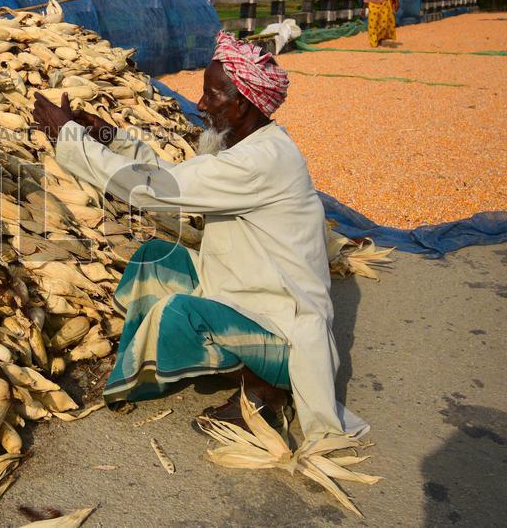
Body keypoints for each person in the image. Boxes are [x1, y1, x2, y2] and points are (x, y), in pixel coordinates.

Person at [31, 31, 367, 441]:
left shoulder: (257, 162)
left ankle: (266, 392)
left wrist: (67, 135)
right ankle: (176, 363)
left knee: (179, 313)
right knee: (155, 258)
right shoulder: (248, 146)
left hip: (285, 335)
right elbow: (174, 177)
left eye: (212, 96)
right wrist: (108, 137)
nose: (201, 104)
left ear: (242, 104)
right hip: (248, 291)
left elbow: (158, 188)